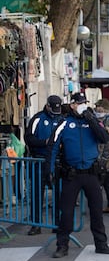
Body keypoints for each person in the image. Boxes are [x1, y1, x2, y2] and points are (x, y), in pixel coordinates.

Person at [47, 92, 109, 258]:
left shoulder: (91, 121)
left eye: (85, 102)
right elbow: (53, 147)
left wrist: (90, 118)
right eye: (79, 103)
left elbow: (104, 137)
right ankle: (62, 246)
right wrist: (48, 170)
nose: (83, 105)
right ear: (72, 105)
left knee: (97, 212)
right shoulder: (64, 122)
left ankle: (101, 244)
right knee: (67, 213)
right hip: (72, 174)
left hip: (91, 173)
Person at [24, 95, 64, 235]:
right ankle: (36, 224)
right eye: (53, 110)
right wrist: (45, 142)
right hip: (39, 161)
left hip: (56, 162)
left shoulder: (61, 119)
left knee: (58, 195)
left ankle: (57, 224)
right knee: (37, 194)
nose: (55, 113)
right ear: (47, 106)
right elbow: (28, 138)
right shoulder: (37, 119)